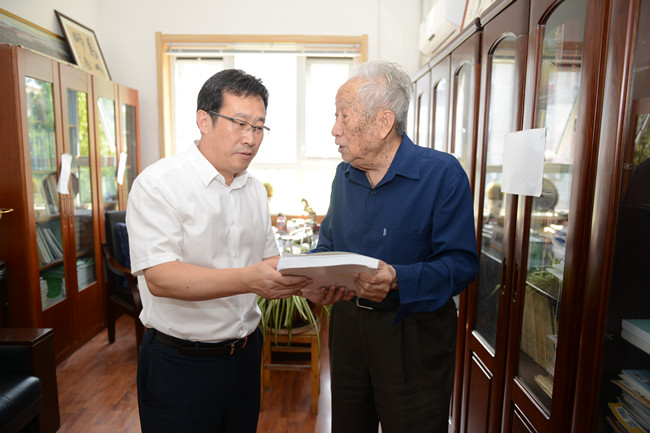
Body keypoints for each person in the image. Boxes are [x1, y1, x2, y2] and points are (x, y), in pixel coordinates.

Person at [125, 69, 310, 433]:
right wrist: (249, 279)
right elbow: (161, 277)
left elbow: (268, 262)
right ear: (203, 121)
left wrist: (314, 280)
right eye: (239, 123)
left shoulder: (254, 189)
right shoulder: (158, 184)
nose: (250, 138)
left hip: (245, 356)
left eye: (259, 127)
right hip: (181, 364)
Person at [306, 60, 479, 432]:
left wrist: (397, 278)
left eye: (344, 116)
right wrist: (312, 275)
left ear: (383, 122)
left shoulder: (442, 175)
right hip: (348, 328)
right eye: (336, 116)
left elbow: (461, 264)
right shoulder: (343, 175)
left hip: (413, 333)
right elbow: (328, 244)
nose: (335, 129)